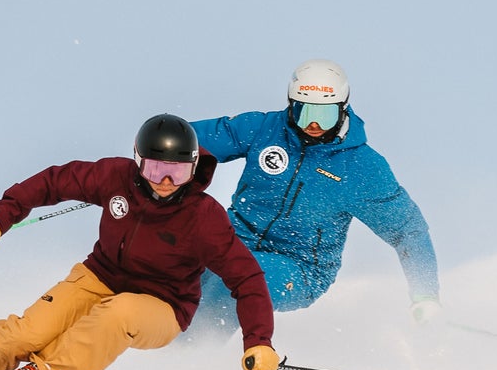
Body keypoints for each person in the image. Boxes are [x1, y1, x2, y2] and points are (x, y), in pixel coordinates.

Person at [0, 114, 281, 370]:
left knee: (119, 313)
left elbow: (247, 279)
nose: (165, 182)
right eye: (157, 168)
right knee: (30, 331)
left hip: (164, 305)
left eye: (177, 173)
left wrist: (258, 342)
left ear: (193, 169)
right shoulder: (115, 178)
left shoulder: (203, 217)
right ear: (138, 162)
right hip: (99, 276)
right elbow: (53, 182)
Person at [188, 59, 441, 332]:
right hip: (233, 242)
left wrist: (425, 295)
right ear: (290, 104)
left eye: (326, 114)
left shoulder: (360, 167)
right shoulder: (265, 130)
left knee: (239, 275)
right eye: (303, 112)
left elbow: (408, 231)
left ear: (343, 109)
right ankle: (147, 344)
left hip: (299, 268)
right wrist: (157, 141)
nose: (314, 124)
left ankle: (188, 357)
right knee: (170, 255)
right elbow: (187, 140)